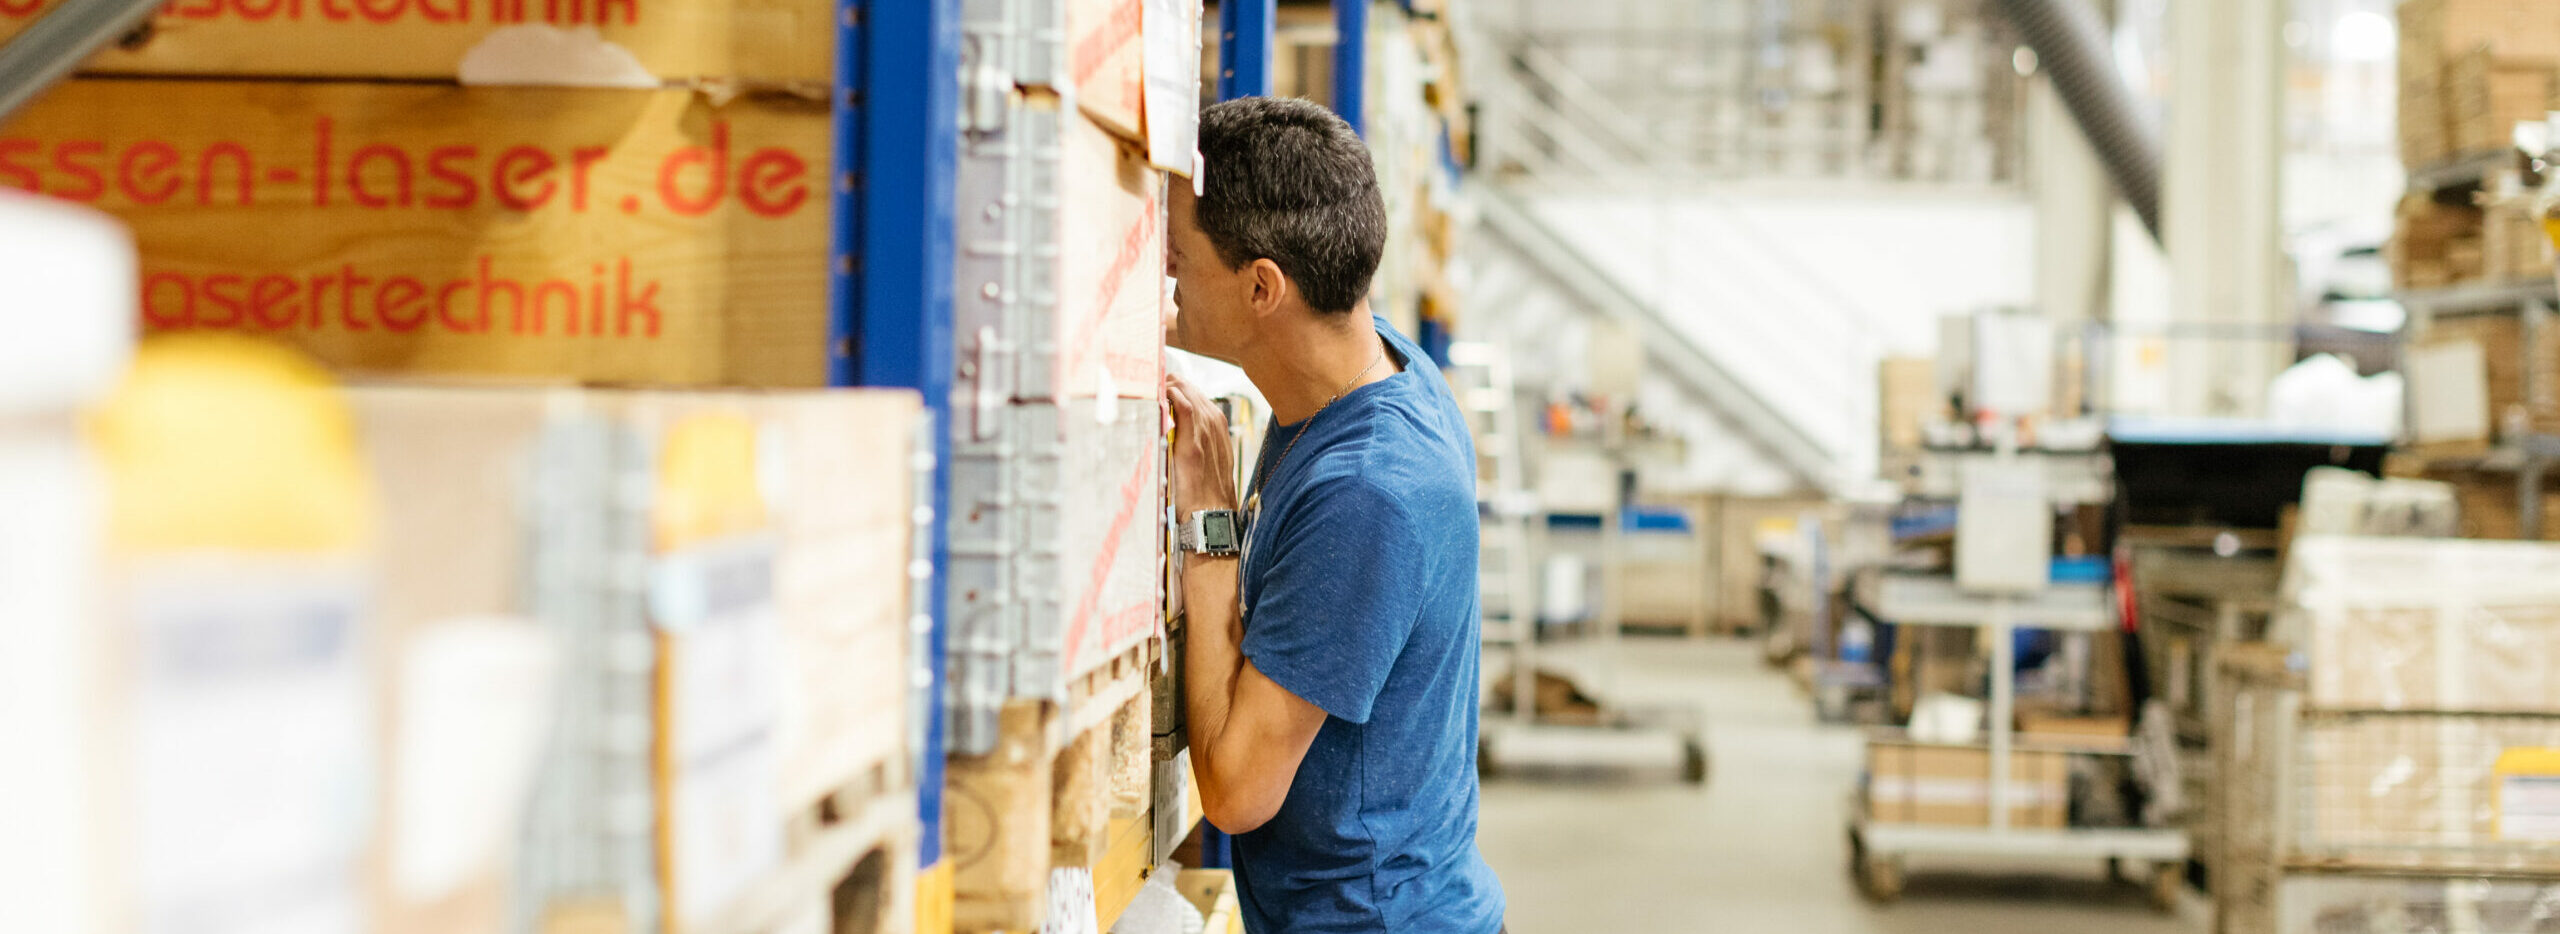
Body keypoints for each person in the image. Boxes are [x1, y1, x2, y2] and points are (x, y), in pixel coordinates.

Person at [1160, 95, 1506, 934]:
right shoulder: (1382, 364)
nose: (1161, 279)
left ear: (1261, 286)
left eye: (1174, 258)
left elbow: (1239, 793)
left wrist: (1210, 535)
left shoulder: (1370, 494)